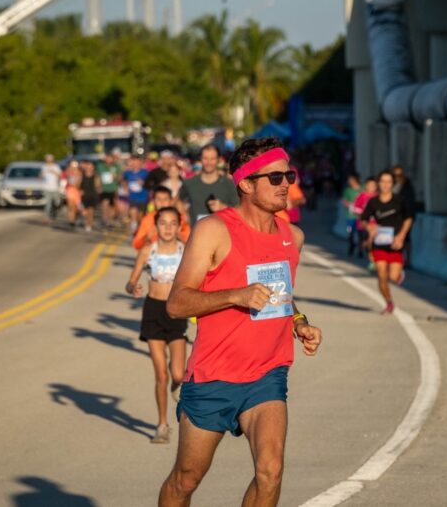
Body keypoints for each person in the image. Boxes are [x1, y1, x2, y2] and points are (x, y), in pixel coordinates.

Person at [158, 137, 322, 506]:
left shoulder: (293, 237)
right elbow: (177, 303)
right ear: (246, 184)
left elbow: (280, 296)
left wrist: (299, 323)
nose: (286, 185)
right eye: (275, 178)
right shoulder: (214, 230)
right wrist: (236, 294)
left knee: (271, 472)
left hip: (267, 375)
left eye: (289, 176)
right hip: (214, 377)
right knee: (186, 480)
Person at [125, 206, 188, 444]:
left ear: (179, 226)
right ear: (155, 226)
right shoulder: (147, 250)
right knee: (160, 374)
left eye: (173, 223)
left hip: (177, 311)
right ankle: (162, 425)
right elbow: (130, 282)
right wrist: (134, 288)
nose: (168, 228)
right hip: (153, 310)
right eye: (163, 223)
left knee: (178, 373)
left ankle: (177, 385)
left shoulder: (186, 251)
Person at [361, 170, 413, 314]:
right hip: (379, 243)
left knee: (393, 277)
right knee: (381, 274)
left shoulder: (400, 200)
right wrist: (369, 227)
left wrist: (401, 236)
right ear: (378, 183)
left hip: (395, 244)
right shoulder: (373, 202)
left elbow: (408, 219)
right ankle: (389, 302)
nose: (385, 185)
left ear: (392, 184)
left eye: (388, 182)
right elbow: (364, 219)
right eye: (382, 181)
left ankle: (398, 275)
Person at [179, 143, 238, 227]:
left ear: (219, 160)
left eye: (212, 159)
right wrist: (185, 216)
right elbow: (178, 201)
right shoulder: (189, 183)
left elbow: (239, 213)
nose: (208, 162)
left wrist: (223, 207)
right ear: (200, 159)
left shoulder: (229, 184)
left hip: (222, 235)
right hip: (196, 235)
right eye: (205, 158)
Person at [122, 155, 150, 231]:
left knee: (140, 217)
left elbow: (150, 184)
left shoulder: (146, 172)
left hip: (143, 197)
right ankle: (134, 227)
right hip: (132, 197)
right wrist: (125, 188)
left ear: (141, 163)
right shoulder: (127, 172)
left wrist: (143, 183)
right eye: (133, 162)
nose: (135, 164)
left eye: (137, 162)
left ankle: (139, 229)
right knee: (133, 211)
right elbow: (124, 181)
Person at [353, 177, 377, 262]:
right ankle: (361, 249)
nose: (372, 187)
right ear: (366, 186)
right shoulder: (362, 196)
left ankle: (372, 260)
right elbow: (355, 208)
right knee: (364, 242)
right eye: (370, 185)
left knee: (372, 241)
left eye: (373, 185)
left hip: (374, 224)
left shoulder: (378, 196)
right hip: (363, 224)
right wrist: (362, 215)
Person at [97, 151, 122, 227]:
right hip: (104, 189)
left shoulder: (116, 166)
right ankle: (105, 220)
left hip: (113, 189)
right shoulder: (100, 166)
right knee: (105, 204)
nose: (108, 160)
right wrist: (98, 186)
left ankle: (111, 220)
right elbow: (97, 177)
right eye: (107, 158)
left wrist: (116, 177)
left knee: (113, 206)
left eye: (110, 158)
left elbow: (120, 178)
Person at [341, 172, 362, 256]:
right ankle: (351, 245)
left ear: (355, 180)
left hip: (360, 217)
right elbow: (344, 201)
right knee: (350, 232)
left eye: (350, 179)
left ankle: (360, 250)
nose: (349, 181)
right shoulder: (348, 190)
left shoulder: (362, 189)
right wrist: (348, 205)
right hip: (350, 216)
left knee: (361, 234)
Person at [79, 160, 101, 232]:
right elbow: (78, 185)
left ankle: (89, 224)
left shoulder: (96, 175)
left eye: (90, 166)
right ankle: (86, 222)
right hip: (84, 195)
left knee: (91, 211)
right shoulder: (82, 175)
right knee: (85, 211)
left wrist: (98, 188)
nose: (89, 168)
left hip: (92, 194)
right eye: (87, 166)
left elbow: (98, 186)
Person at [40, 154, 62, 224]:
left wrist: (53, 171)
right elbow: (41, 176)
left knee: (57, 202)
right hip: (46, 188)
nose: (48, 161)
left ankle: (55, 211)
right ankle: (46, 218)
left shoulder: (56, 166)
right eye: (47, 160)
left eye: (50, 160)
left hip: (55, 188)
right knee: (48, 204)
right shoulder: (44, 167)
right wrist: (43, 174)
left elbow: (60, 175)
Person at [64, 160, 83, 228]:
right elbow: (64, 177)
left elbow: (78, 184)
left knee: (77, 207)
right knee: (71, 206)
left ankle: (77, 217)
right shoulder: (69, 172)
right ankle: (71, 221)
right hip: (70, 190)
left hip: (77, 192)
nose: (73, 168)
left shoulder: (79, 173)